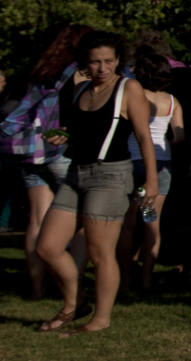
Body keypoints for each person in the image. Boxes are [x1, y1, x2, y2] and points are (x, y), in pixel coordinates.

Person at [36, 31, 159, 336]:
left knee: (101, 252)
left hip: (111, 176)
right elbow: (78, 133)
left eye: (109, 61)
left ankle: (100, 319)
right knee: (47, 246)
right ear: (84, 64)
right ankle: (76, 302)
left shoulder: (128, 88)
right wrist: (60, 136)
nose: (103, 68)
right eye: (95, 62)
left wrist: (152, 182)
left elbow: (144, 136)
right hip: (77, 173)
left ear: (118, 60)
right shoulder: (80, 91)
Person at [1, 25, 91, 299]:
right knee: (83, 218)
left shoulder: (43, 70)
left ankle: (38, 286)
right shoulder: (77, 72)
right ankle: (71, 288)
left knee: (38, 218)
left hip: (30, 150)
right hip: (60, 149)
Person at [117, 50, 185, 291]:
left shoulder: (133, 95)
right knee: (152, 224)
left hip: (133, 161)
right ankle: (146, 278)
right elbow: (179, 135)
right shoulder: (173, 102)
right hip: (163, 164)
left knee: (128, 224)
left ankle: (124, 279)